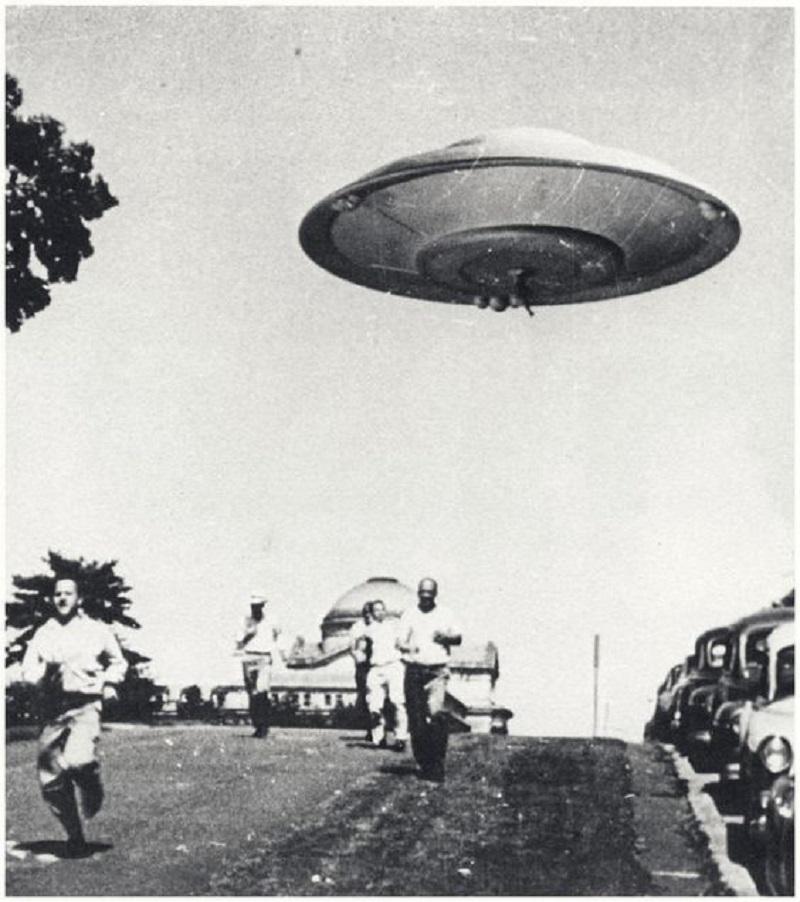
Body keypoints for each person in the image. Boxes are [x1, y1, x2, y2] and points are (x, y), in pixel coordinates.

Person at [21, 576, 127, 857]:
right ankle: (74, 835)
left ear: (79, 598)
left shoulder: (96, 630)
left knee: (79, 760)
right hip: (53, 710)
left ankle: (92, 788)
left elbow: (118, 661)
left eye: (68, 593)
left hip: (85, 706)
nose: (62, 598)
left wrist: (109, 683)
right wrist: (41, 675)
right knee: (51, 779)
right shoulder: (44, 633)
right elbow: (27, 669)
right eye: (58, 594)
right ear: (52, 599)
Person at [397, 577, 462, 783]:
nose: (426, 598)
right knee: (416, 721)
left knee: (436, 716)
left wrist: (445, 637)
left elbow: (458, 637)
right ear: (418, 594)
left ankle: (437, 763)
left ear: (435, 594)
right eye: (423, 594)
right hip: (414, 670)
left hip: (437, 670)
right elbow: (399, 641)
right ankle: (424, 761)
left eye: (429, 595)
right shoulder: (409, 614)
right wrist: (408, 647)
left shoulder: (446, 614)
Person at [235, 594, 282, 738]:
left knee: (262, 690)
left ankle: (264, 726)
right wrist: (248, 634)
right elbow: (238, 642)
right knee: (252, 692)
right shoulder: (245, 621)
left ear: (262, 606)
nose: (255, 609)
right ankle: (257, 725)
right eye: (253, 606)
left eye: (257, 606)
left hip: (264, 656)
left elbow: (277, 636)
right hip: (248, 656)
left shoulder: (271, 621)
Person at [364, 599, 408, 751]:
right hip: (376, 667)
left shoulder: (393, 626)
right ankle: (379, 738)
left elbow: (402, 641)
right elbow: (362, 646)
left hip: (393, 665)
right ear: (372, 613)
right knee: (374, 704)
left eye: (382, 609)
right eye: (376, 610)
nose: (379, 612)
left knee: (397, 701)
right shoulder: (368, 629)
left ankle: (401, 737)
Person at [348, 601, 374, 741]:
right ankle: (370, 728)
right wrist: (358, 657)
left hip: (376, 663)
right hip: (363, 665)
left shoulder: (380, 626)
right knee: (365, 696)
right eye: (366, 613)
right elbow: (352, 647)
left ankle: (379, 727)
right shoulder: (357, 627)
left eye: (370, 612)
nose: (368, 615)